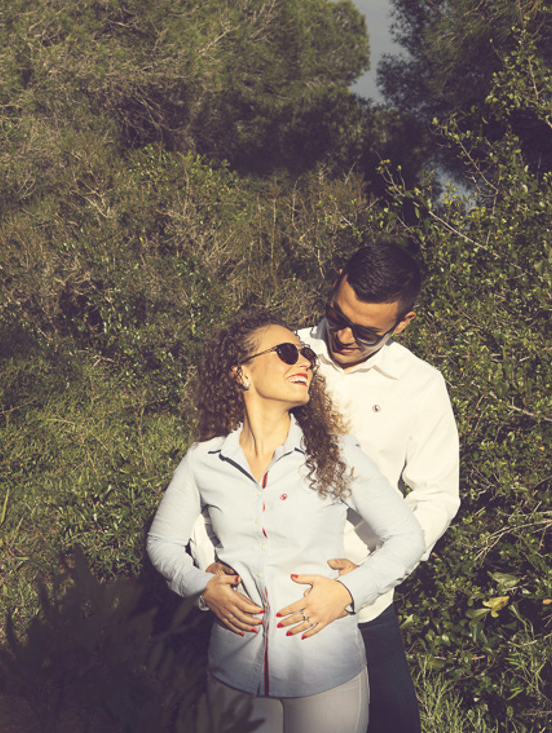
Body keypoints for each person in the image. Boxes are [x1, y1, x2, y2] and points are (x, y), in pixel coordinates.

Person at [191, 244, 460, 732]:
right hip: (255, 606)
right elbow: (210, 468)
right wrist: (207, 561)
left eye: (366, 331)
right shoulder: (275, 351)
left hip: (362, 607)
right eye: (337, 315)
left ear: (404, 322)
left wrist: (361, 582)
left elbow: (436, 495)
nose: (343, 335)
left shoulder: (421, 385)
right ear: (336, 282)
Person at [148, 308, 425, 731]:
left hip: (326, 671)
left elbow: (407, 537)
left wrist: (349, 592)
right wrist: (203, 588)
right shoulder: (203, 461)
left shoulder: (336, 454)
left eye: (306, 356)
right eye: (285, 353)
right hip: (234, 672)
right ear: (241, 373)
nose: (303, 363)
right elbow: (162, 543)